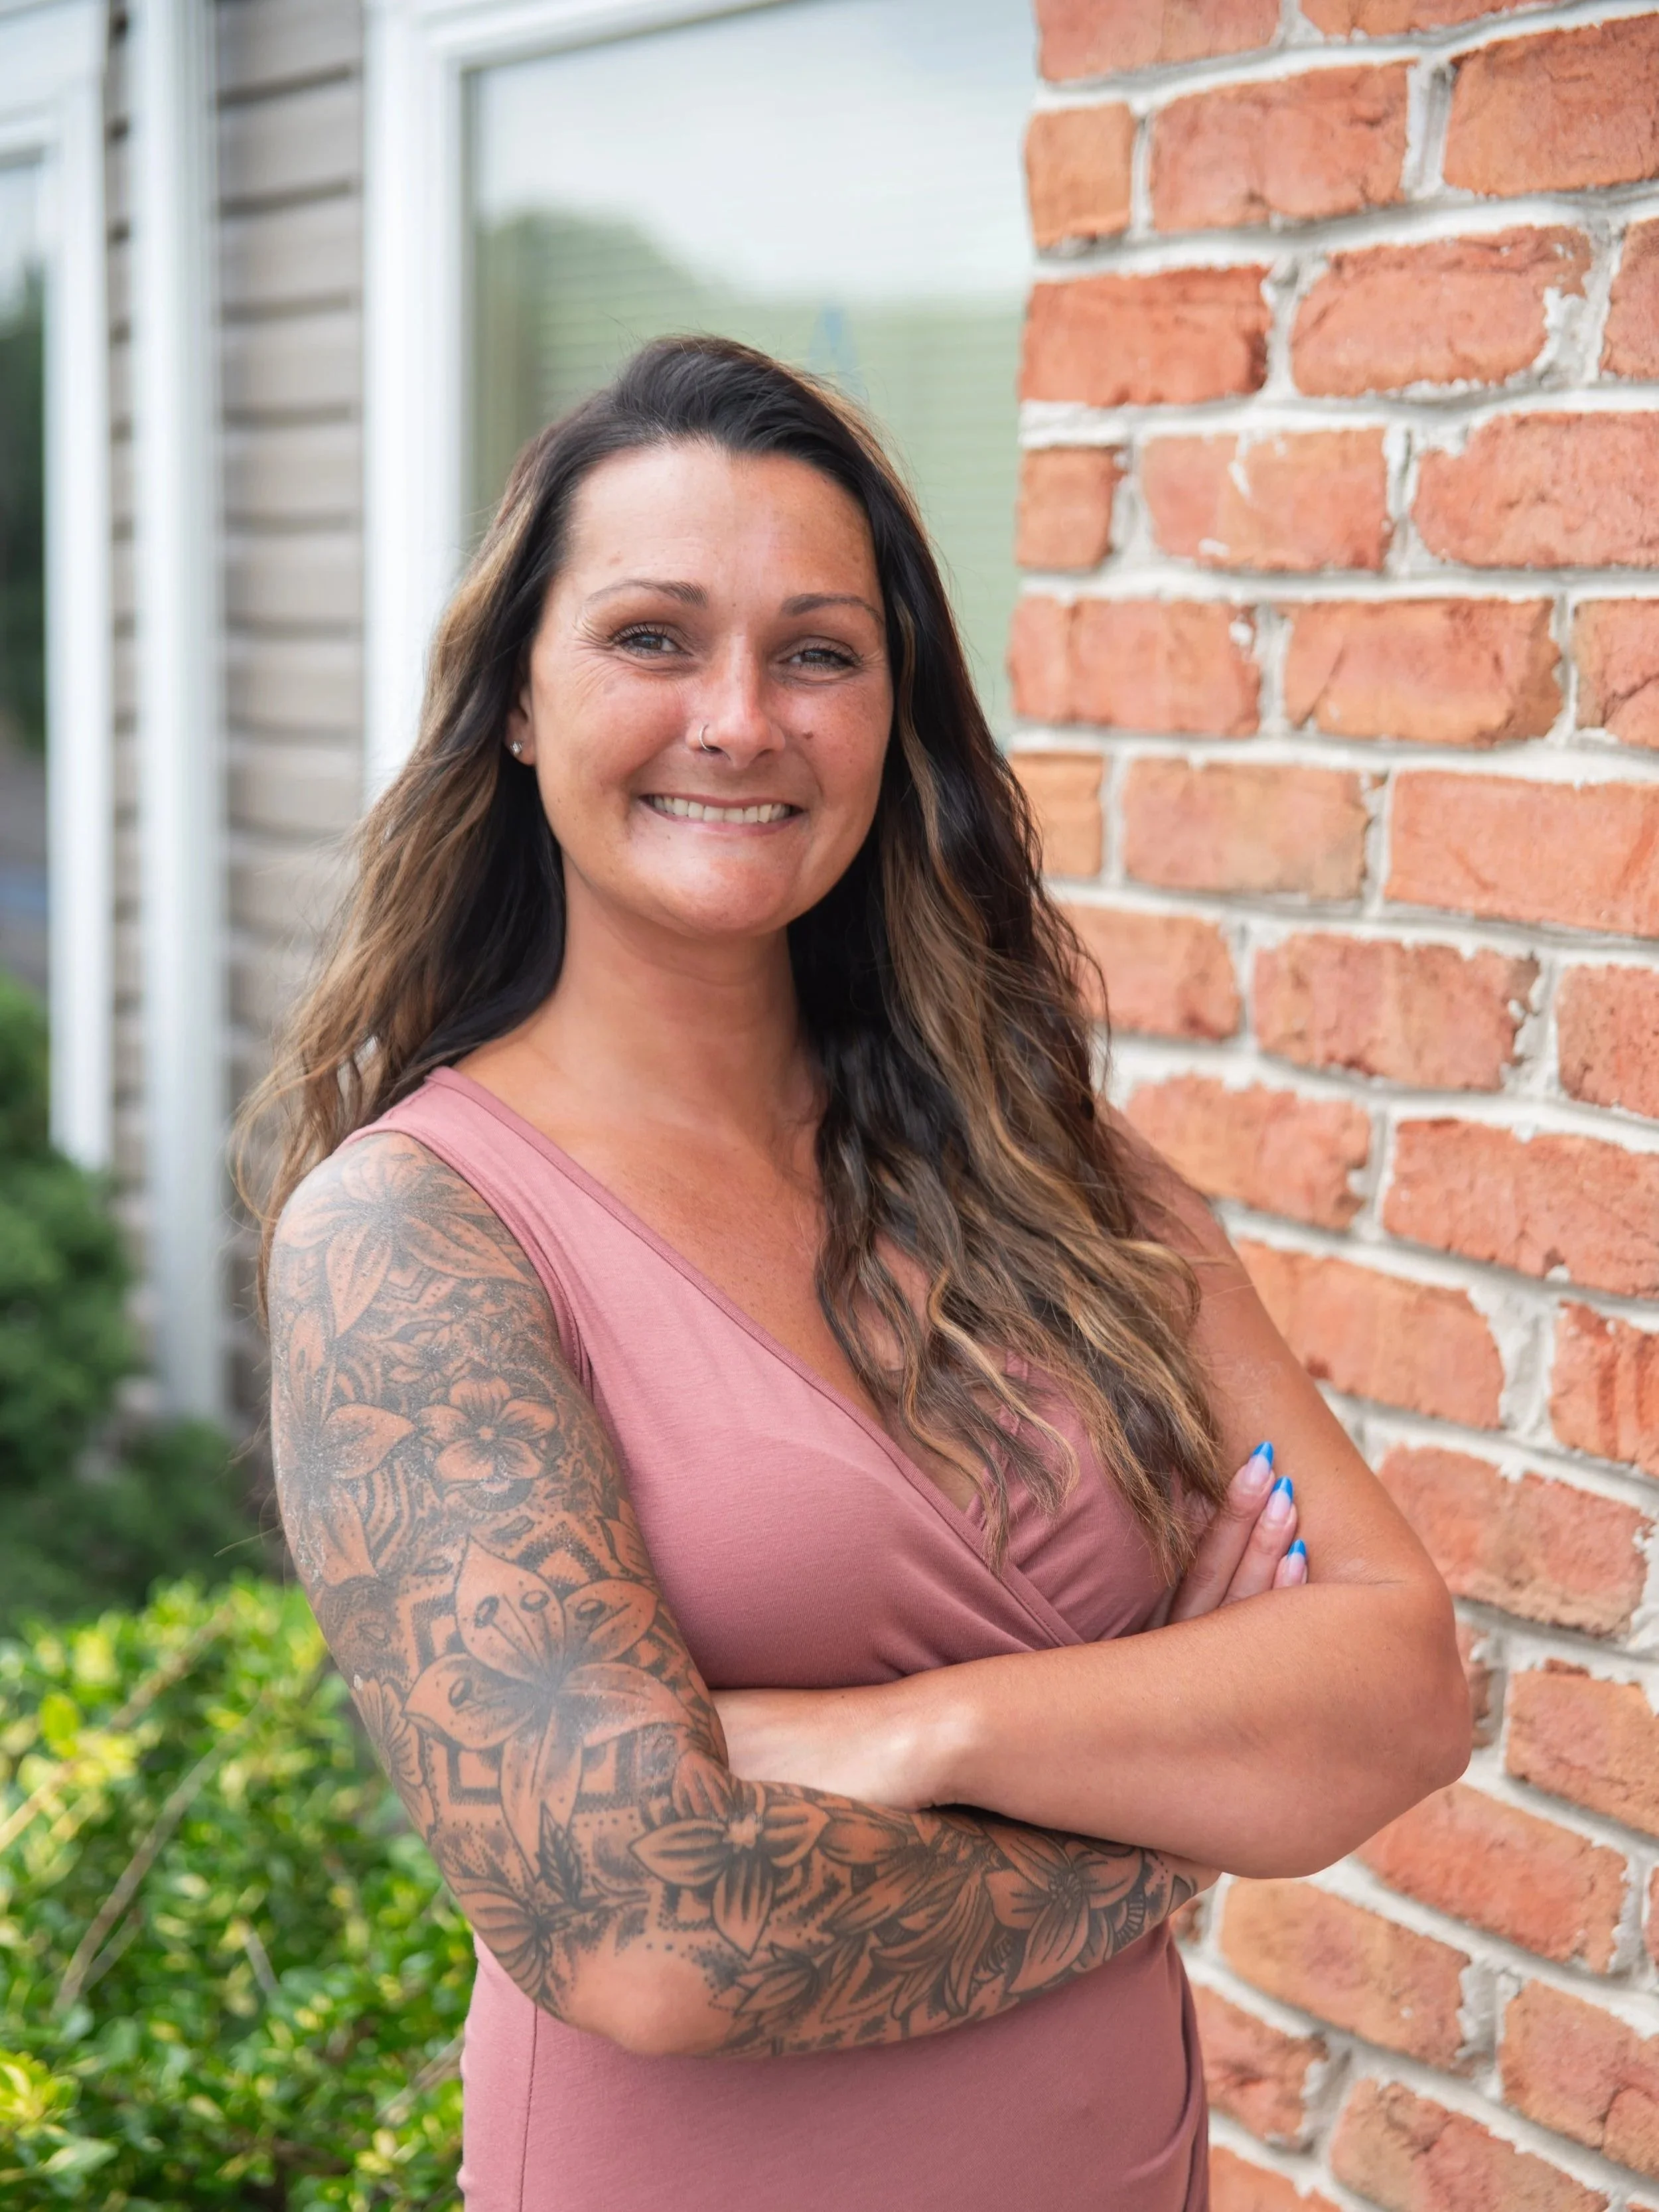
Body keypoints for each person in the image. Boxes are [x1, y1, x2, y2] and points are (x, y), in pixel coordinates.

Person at [249, 337, 1471, 2212]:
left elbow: (1396, 1684)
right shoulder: (413, 1237)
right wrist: (1173, 1784)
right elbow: (653, 1934)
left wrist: (927, 1728)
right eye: (652, 636)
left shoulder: (1043, 1170)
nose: (739, 717)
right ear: (511, 702)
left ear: (892, 716)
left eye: (816, 651)